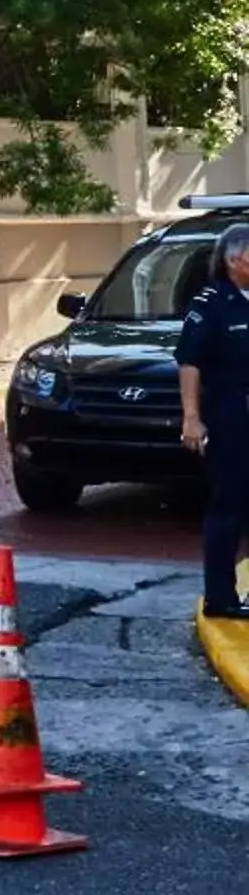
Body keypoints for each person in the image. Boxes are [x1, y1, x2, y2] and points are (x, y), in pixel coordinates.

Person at [177, 221, 249, 620]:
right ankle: (221, 597)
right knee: (230, 504)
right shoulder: (212, 303)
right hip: (231, 413)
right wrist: (192, 417)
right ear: (235, 259)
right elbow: (190, 362)